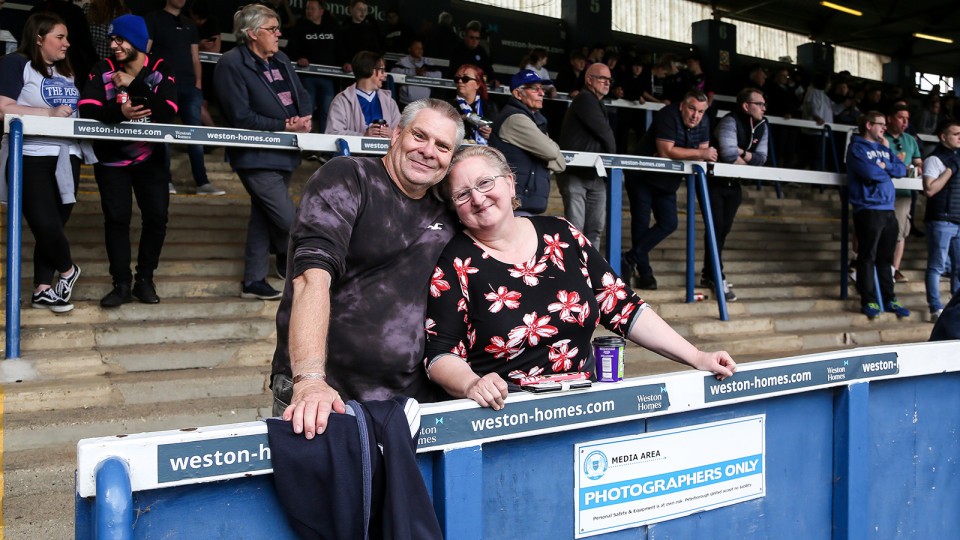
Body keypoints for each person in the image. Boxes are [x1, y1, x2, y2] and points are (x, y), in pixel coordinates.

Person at [424, 146, 736, 409]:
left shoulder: (561, 234)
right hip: (507, 412)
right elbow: (440, 354)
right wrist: (472, 384)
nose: (478, 198)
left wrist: (697, 356)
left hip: (583, 405)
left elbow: (622, 306)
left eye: (485, 183)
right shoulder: (455, 262)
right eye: (463, 194)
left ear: (510, 183)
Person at [272, 99, 465, 439]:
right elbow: (309, 278)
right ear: (396, 135)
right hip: (328, 398)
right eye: (419, 136)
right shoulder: (349, 176)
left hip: (408, 402)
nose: (428, 151)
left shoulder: (447, 211)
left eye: (442, 146)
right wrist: (311, 382)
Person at [214, 3, 311, 301]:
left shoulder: (281, 58)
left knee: (263, 216)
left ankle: (253, 280)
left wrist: (303, 118)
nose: (278, 34)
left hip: (284, 153)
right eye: (272, 29)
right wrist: (284, 125)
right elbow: (241, 116)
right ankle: (291, 261)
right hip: (255, 156)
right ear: (252, 34)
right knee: (289, 220)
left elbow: (302, 94)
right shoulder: (231, 63)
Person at [78, 14, 176, 307]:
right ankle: (121, 284)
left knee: (157, 218)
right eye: (111, 39)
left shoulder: (159, 68)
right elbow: (87, 109)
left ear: (135, 40)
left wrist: (135, 85)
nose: (113, 45)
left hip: (152, 159)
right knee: (117, 220)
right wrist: (119, 114)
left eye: (119, 39)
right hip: (111, 161)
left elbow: (168, 111)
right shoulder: (102, 68)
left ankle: (144, 280)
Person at [0, 12, 89, 312]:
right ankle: (67, 270)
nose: (67, 43)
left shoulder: (66, 72)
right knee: (44, 222)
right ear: (39, 38)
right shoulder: (16, 64)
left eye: (66, 37)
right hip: (30, 154)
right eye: (60, 37)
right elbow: (2, 108)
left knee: (53, 227)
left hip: (68, 157)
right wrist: (47, 115)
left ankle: (42, 288)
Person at [622, 90, 717, 290]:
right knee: (640, 223)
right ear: (682, 106)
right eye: (692, 109)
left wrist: (683, 153)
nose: (696, 115)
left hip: (667, 182)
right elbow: (667, 151)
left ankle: (629, 258)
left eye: (700, 111)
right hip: (642, 177)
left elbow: (700, 157)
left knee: (669, 222)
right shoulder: (668, 114)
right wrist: (696, 153)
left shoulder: (704, 121)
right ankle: (645, 272)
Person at [145, 0, 224, 195]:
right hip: (163, 87)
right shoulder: (153, 19)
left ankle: (202, 183)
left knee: (194, 134)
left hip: (189, 86)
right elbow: (145, 54)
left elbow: (195, 57)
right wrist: (150, 83)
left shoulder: (189, 24)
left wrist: (198, 84)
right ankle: (166, 181)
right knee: (162, 134)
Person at [706, 88, 769, 302]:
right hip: (714, 183)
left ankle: (711, 272)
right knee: (716, 229)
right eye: (759, 104)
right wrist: (743, 155)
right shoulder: (729, 121)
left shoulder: (762, 125)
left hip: (735, 185)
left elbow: (762, 158)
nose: (764, 108)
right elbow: (729, 154)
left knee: (723, 230)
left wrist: (743, 153)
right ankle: (716, 274)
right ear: (746, 106)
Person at [846, 111, 910, 320]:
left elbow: (901, 170)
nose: (884, 128)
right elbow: (870, 174)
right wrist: (886, 170)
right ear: (868, 125)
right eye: (880, 124)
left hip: (888, 208)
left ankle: (890, 298)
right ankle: (869, 299)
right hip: (868, 208)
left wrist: (886, 163)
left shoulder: (884, 147)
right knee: (867, 257)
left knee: (886, 259)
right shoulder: (856, 148)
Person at [489, 69, 566, 215]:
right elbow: (551, 152)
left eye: (542, 89)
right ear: (518, 94)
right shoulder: (516, 119)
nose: (542, 93)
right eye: (535, 89)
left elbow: (561, 164)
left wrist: (543, 155)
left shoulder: (535, 120)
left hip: (527, 204)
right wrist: (544, 157)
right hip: (516, 205)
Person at [556, 62, 616, 247]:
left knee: (595, 229)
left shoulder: (597, 102)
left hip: (594, 175)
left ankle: (592, 273)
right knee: (576, 231)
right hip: (575, 174)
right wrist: (614, 160)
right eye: (602, 78)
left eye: (609, 79)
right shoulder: (585, 99)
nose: (607, 83)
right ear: (589, 80)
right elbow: (604, 132)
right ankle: (576, 274)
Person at [921, 120, 960, 323]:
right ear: (944, 137)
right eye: (956, 134)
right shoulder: (935, 159)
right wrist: (950, 170)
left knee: (959, 268)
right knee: (936, 266)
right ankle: (935, 307)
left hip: (958, 220)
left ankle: (956, 308)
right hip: (940, 220)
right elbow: (930, 189)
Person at [284, 0, 336, 132]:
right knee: (308, 112)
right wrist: (299, 58)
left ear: (321, 11)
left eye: (312, 8)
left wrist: (346, 62)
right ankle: (307, 148)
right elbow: (290, 50)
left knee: (328, 112)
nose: (309, 11)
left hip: (328, 76)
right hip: (307, 77)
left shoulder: (331, 27)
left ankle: (326, 148)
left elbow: (340, 49)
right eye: (307, 8)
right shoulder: (300, 27)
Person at [885, 103, 923, 283]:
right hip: (880, 191)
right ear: (890, 118)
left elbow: (918, 162)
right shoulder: (879, 137)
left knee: (900, 231)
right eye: (901, 118)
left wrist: (918, 168)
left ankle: (895, 269)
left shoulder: (910, 140)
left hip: (904, 193)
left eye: (907, 119)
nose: (905, 122)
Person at [325, 50, 400, 137]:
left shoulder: (389, 101)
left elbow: (402, 133)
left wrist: (392, 134)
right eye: (382, 70)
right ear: (370, 70)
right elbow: (332, 133)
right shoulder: (342, 100)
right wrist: (363, 136)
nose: (385, 75)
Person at [450, 63, 498, 145]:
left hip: (484, 152)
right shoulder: (448, 106)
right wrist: (462, 118)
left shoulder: (489, 106)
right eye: (457, 79)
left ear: (478, 84)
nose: (460, 81)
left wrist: (492, 134)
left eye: (465, 79)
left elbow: (500, 133)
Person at [390, 39, 441, 107]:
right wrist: (413, 72)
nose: (419, 50)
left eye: (421, 48)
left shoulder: (427, 61)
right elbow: (393, 72)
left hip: (424, 103)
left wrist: (424, 74)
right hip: (406, 102)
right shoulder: (403, 61)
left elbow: (438, 75)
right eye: (416, 48)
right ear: (409, 49)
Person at [335, 0, 381, 72]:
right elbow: (340, 50)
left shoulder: (372, 30)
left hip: (367, 69)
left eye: (365, 10)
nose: (363, 13)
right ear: (351, 10)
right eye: (359, 9)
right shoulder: (343, 30)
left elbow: (378, 50)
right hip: (349, 70)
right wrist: (345, 62)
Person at [448, 20, 495, 85]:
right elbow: (453, 71)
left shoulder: (481, 51)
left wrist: (491, 79)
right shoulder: (458, 50)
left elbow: (488, 69)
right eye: (472, 37)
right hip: (459, 86)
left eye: (477, 38)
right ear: (465, 37)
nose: (474, 40)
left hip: (476, 88)